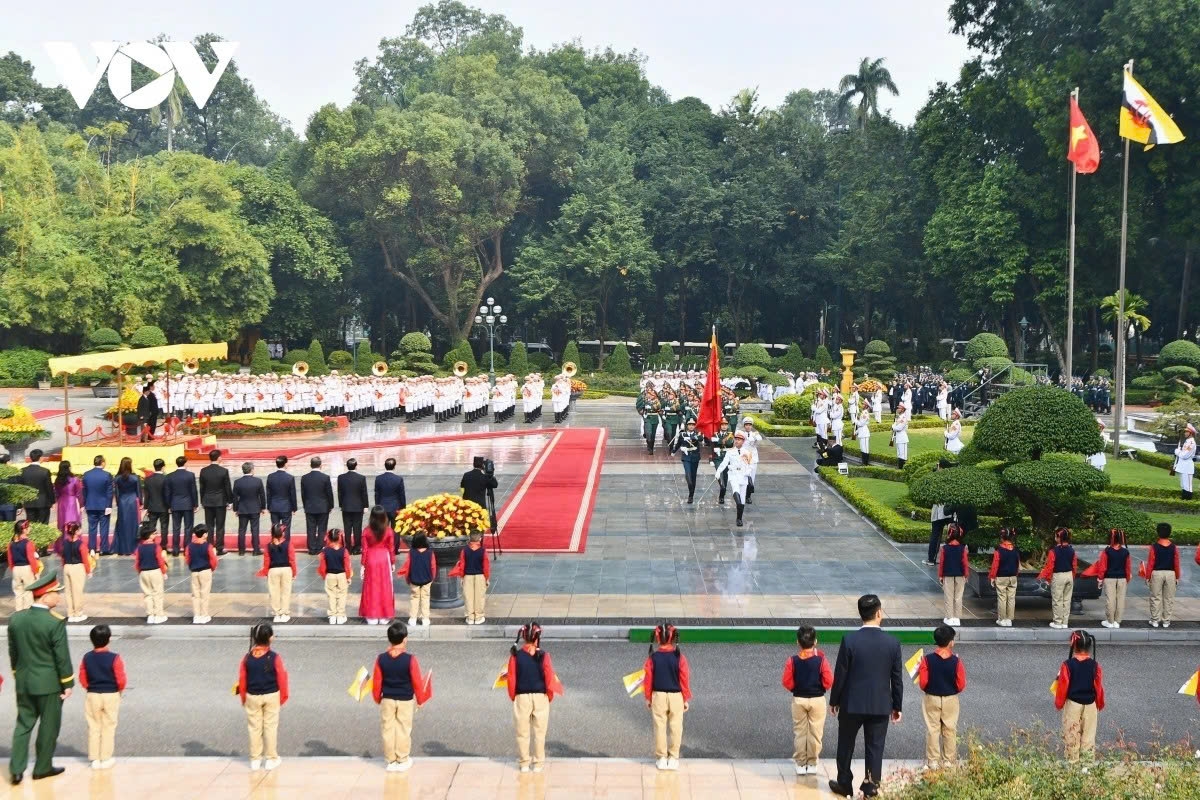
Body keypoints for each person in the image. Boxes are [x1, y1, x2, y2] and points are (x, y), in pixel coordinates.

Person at [828, 594, 904, 799]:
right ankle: (870, 787)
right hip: (880, 705)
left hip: (851, 704)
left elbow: (840, 674)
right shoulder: (892, 643)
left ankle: (844, 783)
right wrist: (897, 706)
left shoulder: (849, 640)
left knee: (845, 744)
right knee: (875, 747)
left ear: (861, 614)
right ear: (879, 613)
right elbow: (896, 679)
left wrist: (834, 700)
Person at [7, 570, 74, 784]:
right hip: (48, 685)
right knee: (48, 726)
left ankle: (16, 769)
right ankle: (42, 767)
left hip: (24, 682)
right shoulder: (54, 623)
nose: (59, 596)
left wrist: (18, 674)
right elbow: (61, 657)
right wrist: (67, 683)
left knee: (23, 725)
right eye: (56, 592)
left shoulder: (17, 619)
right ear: (45, 595)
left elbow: (13, 652)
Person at [371, 621, 433, 772]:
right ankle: (402, 758)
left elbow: (377, 681)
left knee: (387, 729)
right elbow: (417, 682)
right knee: (403, 729)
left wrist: (377, 697)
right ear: (405, 639)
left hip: (388, 698)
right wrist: (420, 699)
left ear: (389, 639)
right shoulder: (410, 659)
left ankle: (390, 760)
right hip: (405, 699)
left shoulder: (381, 659)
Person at [506, 622, 560, 774]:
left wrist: (513, 696)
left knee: (522, 732)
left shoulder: (515, 656)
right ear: (538, 637)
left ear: (523, 637)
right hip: (540, 696)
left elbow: (511, 679)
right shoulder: (544, 656)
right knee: (539, 733)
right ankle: (538, 763)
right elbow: (549, 677)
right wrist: (549, 695)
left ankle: (524, 763)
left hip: (521, 696)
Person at [782, 624, 833, 776]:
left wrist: (795, 688)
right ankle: (812, 762)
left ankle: (800, 763)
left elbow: (786, 681)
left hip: (799, 699)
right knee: (816, 732)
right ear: (815, 642)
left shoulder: (792, 661)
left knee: (800, 732)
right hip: (817, 699)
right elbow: (829, 680)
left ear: (798, 642)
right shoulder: (821, 660)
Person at [237, 623, 289, 771]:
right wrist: (283, 696)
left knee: (254, 728)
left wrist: (243, 698)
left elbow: (242, 679)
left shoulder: (247, 658)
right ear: (270, 638)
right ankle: (271, 758)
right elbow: (282, 678)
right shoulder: (274, 657)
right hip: (271, 694)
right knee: (270, 727)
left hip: (252, 696)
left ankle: (255, 759)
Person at [917, 624, 966, 771]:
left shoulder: (927, 659)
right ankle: (948, 761)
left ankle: (932, 761)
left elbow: (923, 682)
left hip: (932, 697)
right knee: (950, 729)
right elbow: (961, 683)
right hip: (950, 698)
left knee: (933, 729)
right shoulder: (956, 661)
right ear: (951, 642)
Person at [643, 622, 690, 771]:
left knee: (660, 727)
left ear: (657, 638)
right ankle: (673, 758)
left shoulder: (653, 658)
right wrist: (686, 698)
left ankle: (662, 758)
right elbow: (684, 679)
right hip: (676, 696)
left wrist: (648, 698)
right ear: (673, 638)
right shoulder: (679, 657)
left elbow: (648, 679)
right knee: (676, 727)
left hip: (658, 696)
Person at [79, 624, 125, 769]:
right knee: (109, 726)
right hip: (111, 693)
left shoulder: (87, 657)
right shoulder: (115, 658)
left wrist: (89, 687)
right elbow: (121, 679)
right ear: (109, 639)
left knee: (94, 726)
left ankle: (94, 758)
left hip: (93, 693)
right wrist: (119, 690)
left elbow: (82, 677)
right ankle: (106, 757)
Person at [1054, 630, 1104, 763]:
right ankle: (1086, 765)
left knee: (1072, 734)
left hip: (1073, 704)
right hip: (1090, 704)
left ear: (1074, 646)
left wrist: (1059, 703)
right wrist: (1099, 703)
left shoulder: (1067, 665)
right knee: (1088, 734)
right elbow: (1098, 686)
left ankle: (1072, 762)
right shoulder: (1095, 665)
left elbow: (1063, 686)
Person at [359, 507, 396, 624]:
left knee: (371, 587)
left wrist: (362, 565)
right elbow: (391, 548)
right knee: (385, 586)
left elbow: (364, 550)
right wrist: (393, 562)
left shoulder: (366, 531)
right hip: (384, 559)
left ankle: (372, 616)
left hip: (371, 559)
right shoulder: (389, 531)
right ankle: (384, 615)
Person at [1090, 529, 1131, 629]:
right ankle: (1117, 621)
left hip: (1109, 579)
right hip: (1122, 579)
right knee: (1120, 600)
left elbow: (1102, 567)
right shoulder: (1126, 552)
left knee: (1110, 600)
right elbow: (1128, 567)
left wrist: (1100, 579)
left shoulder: (1107, 551)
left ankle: (1110, 621)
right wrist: (1127, 579)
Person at [715, 430, 757, 528]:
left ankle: (739, 518)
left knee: (742, 499)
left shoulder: (747, 452)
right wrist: (718, 472)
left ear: (743, 441)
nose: (737, 441)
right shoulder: (730, 452)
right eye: (736, 439)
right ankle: (737, 503)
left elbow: (751, 464)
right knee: (736, 492)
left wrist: (748, 471)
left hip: (744, 475)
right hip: (734, 475)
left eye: (740, 440)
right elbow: (724, 463)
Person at [256, 524, 297, 623]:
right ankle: (284, 613)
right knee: (285, 592)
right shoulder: (288, 544)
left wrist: (265, 572)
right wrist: (294, 572)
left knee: (274, 593)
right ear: (282, 533)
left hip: (273, 570)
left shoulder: (268, 545)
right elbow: (292, 559)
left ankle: (277, 614)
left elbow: (266, 560)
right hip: (286, 569)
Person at [448, 530, 490, 624]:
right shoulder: (483, 551)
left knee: (468, 597)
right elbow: (486, 566)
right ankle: (478, 617)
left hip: (468, 576)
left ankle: (470, 617)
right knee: (479, 597)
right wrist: (487, 578)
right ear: (480, 539)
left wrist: (462, 577)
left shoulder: (465, 550)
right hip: (480, 576)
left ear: (469, 538)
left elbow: (462, 565)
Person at [1146, 522, 1180, 628]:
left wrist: (1147, 576)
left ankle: (1155, 620)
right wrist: (1177, 576)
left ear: (1158, 533)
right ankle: (1166, 621)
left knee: (1156, 597)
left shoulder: (1154, 547)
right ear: (1169, 533)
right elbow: (1176, 563)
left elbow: (1150, 563)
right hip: (1171, 574)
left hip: (1156, 573)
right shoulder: (1174, 547)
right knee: (1169, 598)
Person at [199, 450, 233, 557]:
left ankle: (209, 547)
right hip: (220, 501)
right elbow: (227, 488)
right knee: (220, 526)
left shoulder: (203, 471)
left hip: (208, 501)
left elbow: (202, 488)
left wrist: (202, 501)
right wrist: (230, 501)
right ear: (218, 458)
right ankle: (219, 548)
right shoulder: (223, 471)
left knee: (209, 526)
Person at [133, 522, 169, 624]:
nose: (156, 535)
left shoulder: (139, 548)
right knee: (157, 593)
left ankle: (150, 615)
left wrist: (139, 571)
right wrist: (164, 572)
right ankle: (159, 615)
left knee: (147, 594)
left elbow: (137, 562)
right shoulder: (156, 547)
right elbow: (160, 560)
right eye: (154, 533)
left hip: (143, 572)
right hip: (155, 571)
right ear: (149, 535)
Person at [163, 456, 197, 556]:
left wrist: (168, 505)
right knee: (188, 528)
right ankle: (187, 550)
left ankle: (176, 550)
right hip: (188, 504)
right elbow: (193, 491)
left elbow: (167, 493)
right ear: (185, 463)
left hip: (175, 504)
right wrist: (195, 504)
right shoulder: (190, 475)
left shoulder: (170, 476)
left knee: (176, 528)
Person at [398, 533, 434, 628]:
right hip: (427, 579)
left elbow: (407, 566)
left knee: (414, 598)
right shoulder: (430, 552)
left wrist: (407, 579)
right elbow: (433, 566)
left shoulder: (412, 552)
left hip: (414, 579)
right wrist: (432, 578)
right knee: (425, 598)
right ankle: (425, 618)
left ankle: (413, 618)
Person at [58, 522, 92, 623]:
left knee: (68, 592)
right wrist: (88, 571)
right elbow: (85, 559)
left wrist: (64, 566)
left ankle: (70, 613)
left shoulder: (64, 543)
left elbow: (63, 556)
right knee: (77, 592)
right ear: (77, 531)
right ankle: (78, 613)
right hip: (77, 568)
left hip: (67, 567)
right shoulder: (81, 544)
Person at [317, 528, 352, 625]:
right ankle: (340, 615)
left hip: (330, 575)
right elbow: (347, 566)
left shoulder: (325, 551)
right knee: (342, 595)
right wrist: (348, 577)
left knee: (331, 595)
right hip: (342, 575)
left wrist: (324, 575)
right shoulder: (344, 551)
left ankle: (332, 616)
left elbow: (322, 565)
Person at [300, 457, 333, 555]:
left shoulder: (304, 478)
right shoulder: (325, 477)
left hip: (309, 507)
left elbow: (303, 494)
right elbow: (329, 493)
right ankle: (319, 547)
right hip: (323, 507)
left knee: (310, 528)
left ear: (311, 465)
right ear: (320, 465)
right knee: (322, 528)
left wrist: (305, 505)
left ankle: (311, 548)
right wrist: (330, 506)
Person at [987, 528, 1020, 627]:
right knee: (1011, 598)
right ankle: (1009, 619)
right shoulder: (1015, 550)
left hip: (1001, 577)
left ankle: (1002, 619)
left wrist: (992, 577)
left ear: (1002, 537)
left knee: (1002, 598)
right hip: (1013, 577)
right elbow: (1017, 564)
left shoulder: (999, 551)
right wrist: (1016, 574)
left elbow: (995, 565)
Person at [81, 456, 114, 556]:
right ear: (102, 463)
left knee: (92, 527)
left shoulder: (86, 475)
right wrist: (109, 505)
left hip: (90, 504)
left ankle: (92, 548)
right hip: (104, 505)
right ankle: (104, 548)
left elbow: (84, 491)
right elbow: (109, 492)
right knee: (104, 527)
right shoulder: (107, 475)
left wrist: (85, 503)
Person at [187, 525, 219, 624]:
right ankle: (204, 615)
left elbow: (188, 559)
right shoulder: (208, 546)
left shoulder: (190, 546)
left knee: (195, 594)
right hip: (205, 571)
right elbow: (213, 560)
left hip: (194, 571)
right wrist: (212, 569)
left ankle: (196, 615)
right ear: (204, 534)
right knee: (204, 594)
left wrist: (192, 567)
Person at [938, 524, 968, 627]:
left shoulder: (944, 548)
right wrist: (966, 575)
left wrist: (941, 575)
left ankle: (949, 617)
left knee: (948, 596)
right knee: (958, 597)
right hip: (960, 575)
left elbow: (942, 563)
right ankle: (957, 618)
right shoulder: (963, 548)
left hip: (948, 575)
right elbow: (965, 563)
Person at [8, 519, 43, 611]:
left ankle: (19, 612)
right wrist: (36, 572)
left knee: (18, 593)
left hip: (16, 569)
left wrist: (13, 569)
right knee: (28, 591)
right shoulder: (28, 543)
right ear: (24, 530)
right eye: (28, 527)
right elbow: (31, 559)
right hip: (26, 569)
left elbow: (10, 559)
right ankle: (28, 613)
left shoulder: (11, 544)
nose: (30, 528)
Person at [337, 458, 370, 554]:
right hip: (358, 506)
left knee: (347, 528)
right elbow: (364, 493)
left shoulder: (341, 477)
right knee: (357, 528)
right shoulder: (361, 478)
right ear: (356, 466)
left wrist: (341, 505)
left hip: (346, 506)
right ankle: (357, 547)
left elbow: (340, 493)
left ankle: (347, 547)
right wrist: (365, 505)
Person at [233, 462, 267, 556]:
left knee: (242, 530)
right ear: (252, 470)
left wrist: (236, 509)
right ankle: (256, 550)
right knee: (255, 529)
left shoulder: (237, 482)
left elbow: (235, 497)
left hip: (242, 508)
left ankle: (241, 551)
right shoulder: (258, 481)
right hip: (255, 508)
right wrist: (263, 507)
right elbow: (262, 496)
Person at [112, 458, 141, 556]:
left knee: (122, 525)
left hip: (122, 503)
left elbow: (116, 493)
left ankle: (122, 548)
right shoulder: (135, 477)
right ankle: (133, 547)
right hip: (133, 502)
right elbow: (138, 492)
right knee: (133, 524)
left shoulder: (117, 478)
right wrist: (140, 503)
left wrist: (118, 503)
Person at [265, 456, 296, 543]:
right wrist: (294, 508)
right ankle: (286, 545)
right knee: (286, 528)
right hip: (286, 507)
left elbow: (268, 493)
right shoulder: (290, 477)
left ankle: (275, 544)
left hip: (274, 506)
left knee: (275, 527)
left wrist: (268, 506)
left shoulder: (270, 477)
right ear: (285, 464)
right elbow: (292, 494)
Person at [672, 419, 703, 504]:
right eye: (689, 424)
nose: (691, 426)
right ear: (687, 426)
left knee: (693, 477)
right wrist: (674, 451)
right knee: (688, 475)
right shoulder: (682, 434)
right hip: (686, 457)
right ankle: (690, 487)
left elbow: (700, 438)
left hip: (695, 457)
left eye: (693, 425)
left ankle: (691, 495)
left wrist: (693, 437)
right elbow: (678, 443)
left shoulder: (697, 434)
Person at [19, 450, 54, 524]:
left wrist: (21, 501)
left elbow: (20, 487)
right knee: (43, 524)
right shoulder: (45, 471)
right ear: (40, 458)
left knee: (30, 524)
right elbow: (49, 488)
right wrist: (52, 501)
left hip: (29, 502)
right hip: (43, 502)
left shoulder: (23, 471)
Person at [142, 460, 169, 545]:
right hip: (164, 507)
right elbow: (168, 494)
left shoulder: (148, 479)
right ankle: (164, 545)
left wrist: (145, 507)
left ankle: (151, 544)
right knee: (164, 527)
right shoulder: (166, 478)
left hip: (152, 506)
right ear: (163, 467)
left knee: (151, 527)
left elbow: (146, 495)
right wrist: (169, 506)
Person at [374, 458, 407, 525]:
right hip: (395, 507)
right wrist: (403, 507)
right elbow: (402, 495)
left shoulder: (378, 478)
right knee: (396, 530)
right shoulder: (398, 479)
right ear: (394, 467)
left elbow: (377, 494)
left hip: (382, 507)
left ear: (385, 466)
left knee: (383, 530)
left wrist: (377, 506)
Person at [52, 462, 82, 536]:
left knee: (62, 522)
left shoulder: (57, 480)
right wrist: (81, 504)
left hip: (61, 502)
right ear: (69, 468)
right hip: (72, 502)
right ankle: (72, 541)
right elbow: (79, 493)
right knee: (72, 521)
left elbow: (56, 493)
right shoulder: (75, 480)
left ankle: (62, 542)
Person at [1173, 423, 1195, 500]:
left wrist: (1177, 452)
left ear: (1191, 433)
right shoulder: (1187, 441)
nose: (1185, 433)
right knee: (1183, 484)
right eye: (1185, 431)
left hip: (1187, 466)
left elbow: (1185, 456)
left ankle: (1188, 501)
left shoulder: (1191, 443)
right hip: (1182, 466)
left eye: (1187, 432)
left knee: (1188, 486)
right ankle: (1183, 500)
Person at [890, 403, 910, 470]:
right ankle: (900, 469)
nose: (898, 409)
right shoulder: (899, 417)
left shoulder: (903, 417)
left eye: (899, 408)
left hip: (902, 438)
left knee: (903, 455)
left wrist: (893, 427)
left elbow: (899, 428)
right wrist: (894, 426)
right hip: (898, 438)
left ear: (903, 409)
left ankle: (903, 469)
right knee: (899, 454)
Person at [855, 402, 872, 466]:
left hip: (864, 433)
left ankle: (866, 462)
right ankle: (863, 461)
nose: (862, 405)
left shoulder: (865, 413)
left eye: (864, 404)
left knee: (865, 448)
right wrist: (857, 431)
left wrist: (855, 421)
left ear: (866, 406)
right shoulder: (863, 413)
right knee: (862, 448)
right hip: (861, 432)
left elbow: (861, 424)